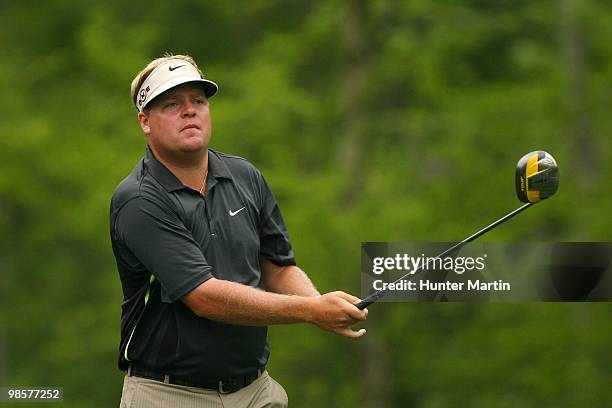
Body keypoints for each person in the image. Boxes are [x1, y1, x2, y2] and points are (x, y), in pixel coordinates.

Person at [110, 54, 368, 408]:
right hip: (168, 395)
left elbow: (277, 267)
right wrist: (311, 311)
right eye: (172, 104)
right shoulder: (139, 200)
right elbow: (204, 297)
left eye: (198, 101)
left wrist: (319, 303)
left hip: (255, 391)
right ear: (145, 121)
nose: (190, 111)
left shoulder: (244, 176)